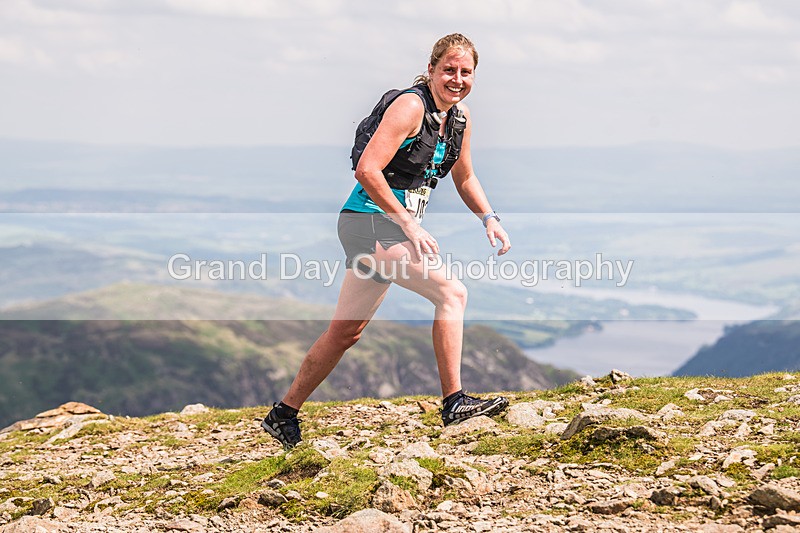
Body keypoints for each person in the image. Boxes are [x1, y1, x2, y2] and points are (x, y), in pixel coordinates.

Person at [262, 33, 511, 449]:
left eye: (465, 72)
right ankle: (454, 403)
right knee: (451, 293)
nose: (456, 78)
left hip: (381, 225)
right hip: (370, 222)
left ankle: (283, 414)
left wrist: (489, 217)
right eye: (448, 69)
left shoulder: (460, 119)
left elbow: (464, 176)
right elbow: (367, 170)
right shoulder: (411, 106)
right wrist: (409, 225)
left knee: (346, 333)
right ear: (431, 69)